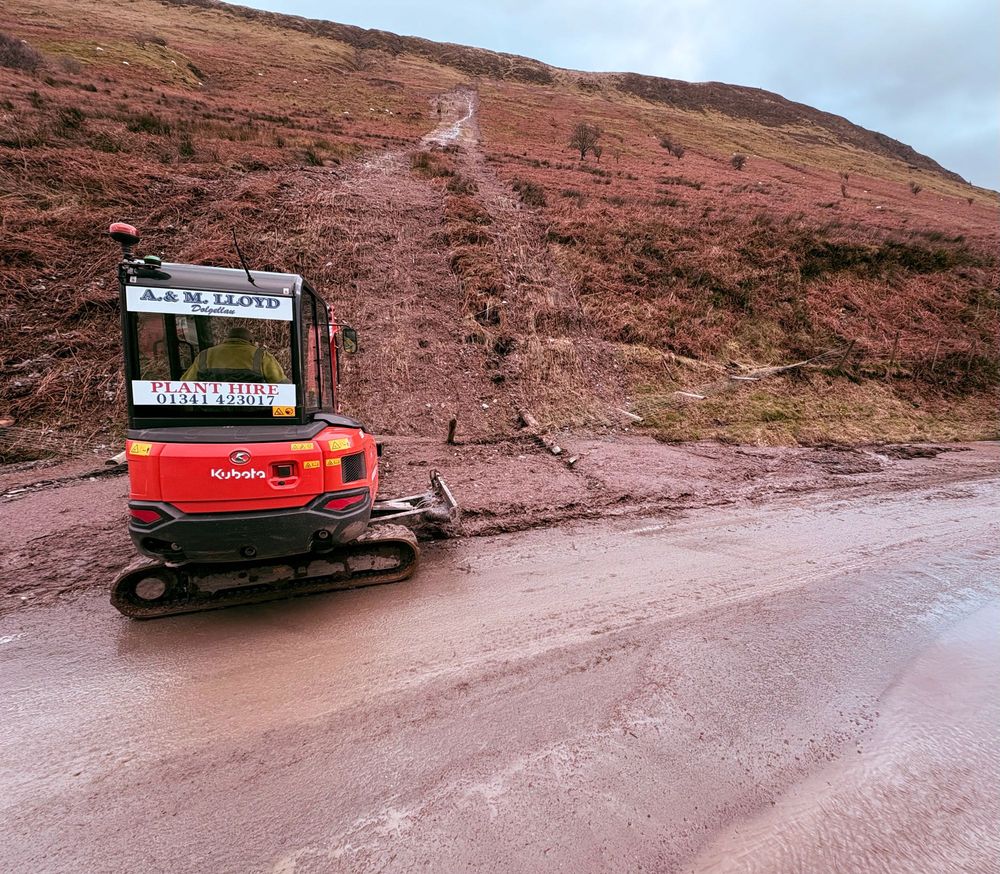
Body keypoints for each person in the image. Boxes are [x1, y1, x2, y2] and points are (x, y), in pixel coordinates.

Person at [181, 325, 287, 383]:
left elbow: (185, 383)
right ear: (251, 341)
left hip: (209, 413)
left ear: (226, 339)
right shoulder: (262, 356)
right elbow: (282, 385)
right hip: (256, 413)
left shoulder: (204, 355)